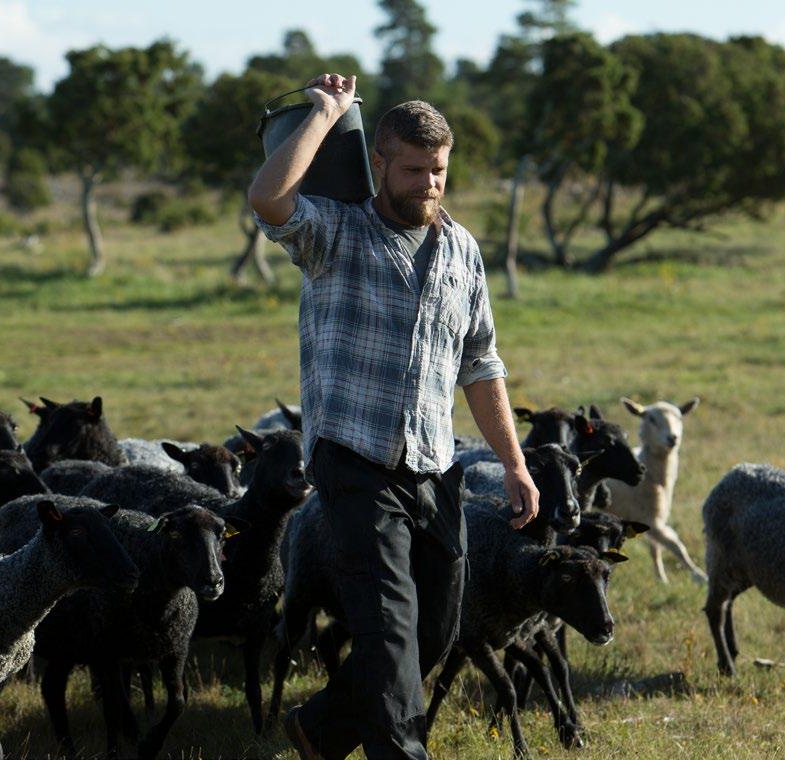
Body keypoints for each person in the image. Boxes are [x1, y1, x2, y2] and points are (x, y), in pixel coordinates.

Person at [248, 73, 540, 760]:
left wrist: (514, 462)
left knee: (434, 630)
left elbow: (481, 363)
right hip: (352, 459)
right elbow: (267, 200)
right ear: (378, 161)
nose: (428, 184)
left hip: (433, 465)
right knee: (387, 632)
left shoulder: (461, 252)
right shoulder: (335, 232)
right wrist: (325, 114)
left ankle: (319, 731)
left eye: (438, 170)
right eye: (413, 170)